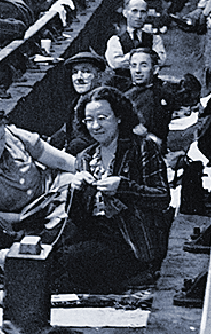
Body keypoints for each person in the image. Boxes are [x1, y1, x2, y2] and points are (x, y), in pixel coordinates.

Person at [50, 86, 170, 291]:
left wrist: (123, 187)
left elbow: (162, 197)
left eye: (102, 118)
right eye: (89, 120)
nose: (95, 126)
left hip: (130, 237)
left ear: (119, 117)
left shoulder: (142, 148)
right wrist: (76, 190)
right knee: (51, 250)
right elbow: (77, 216)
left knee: (73, 260)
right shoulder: (85, 157)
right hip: (95, 232)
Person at [0, 106, 76, 239]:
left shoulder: (13, 135)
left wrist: (89, 172)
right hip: (24, 216)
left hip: (52, 190)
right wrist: (25, 219)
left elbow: (61, 161)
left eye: (2, 138)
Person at [50, 50, 107, 153]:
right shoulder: (78, 101)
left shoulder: (103, 103)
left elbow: (95, 138)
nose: (79, 78)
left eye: (85, 72)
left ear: (99, 76)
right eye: (75, 72)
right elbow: (67, 130)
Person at [104, 0, 167, 73]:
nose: (139, 16)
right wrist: (147, 60)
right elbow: (115, 63)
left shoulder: (155, 39)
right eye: (134, 11)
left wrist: (127, 58)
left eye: (143, 12)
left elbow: (161, 60)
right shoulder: (115, 40)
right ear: (125, 13)